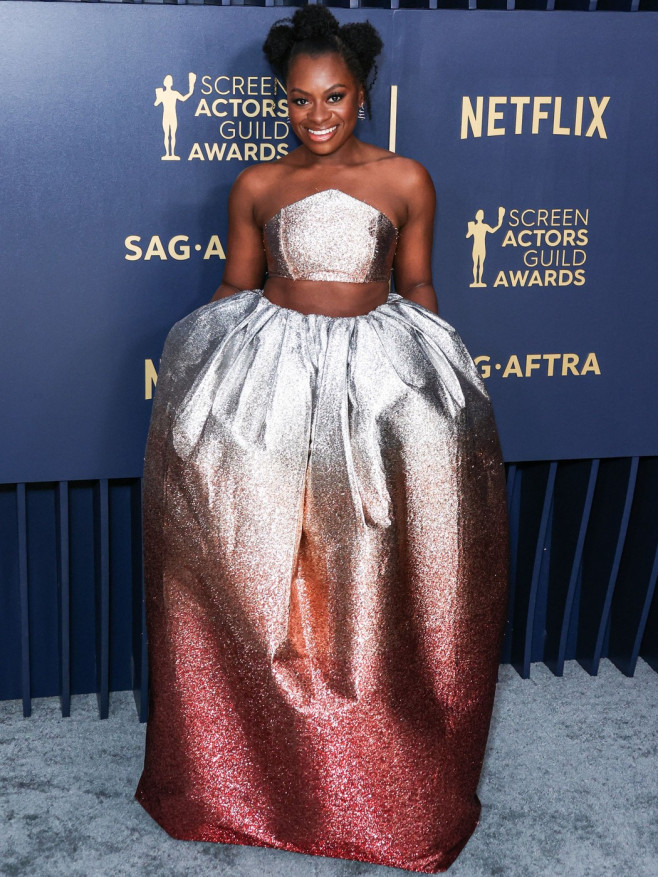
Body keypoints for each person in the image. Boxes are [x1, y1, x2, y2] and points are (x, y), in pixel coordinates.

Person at [135, 6, 509, 874]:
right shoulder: (257, 185)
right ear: (283, 102)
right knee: (263, 565)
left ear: (364, 93)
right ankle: (250, 777)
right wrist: (202, 381)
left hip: (376, 380)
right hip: (270, 380)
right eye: (300, 101)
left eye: (334, 96)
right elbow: (235, 286)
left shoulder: (406, 178)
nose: (317, 116)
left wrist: (439, 399)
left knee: (365, 573)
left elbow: (416, 283)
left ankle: (372, 769)